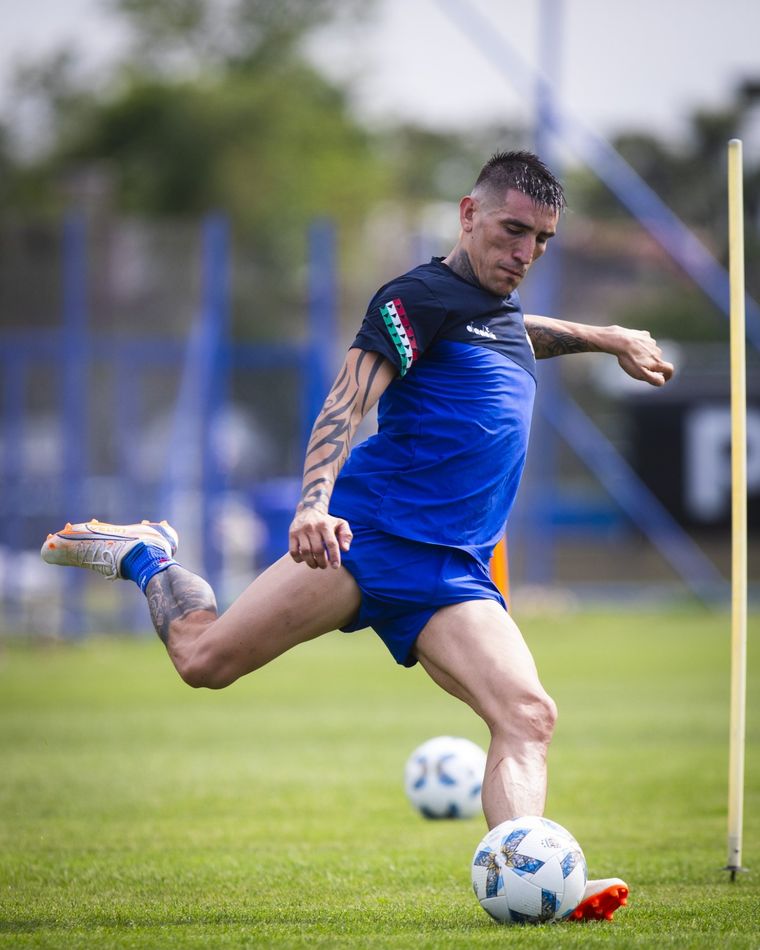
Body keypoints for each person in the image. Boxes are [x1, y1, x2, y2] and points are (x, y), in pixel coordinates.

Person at [42, 150, 673, 922]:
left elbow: (516, 331)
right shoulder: (414, 297)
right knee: (203, 662)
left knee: (528, 715)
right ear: (469, 214)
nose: (524, 254)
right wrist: (312, 504)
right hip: (367, 538)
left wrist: (608, 335)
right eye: (513, 231)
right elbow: (346, 400)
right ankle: (146, 553)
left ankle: (535, 881)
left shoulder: (493, 308)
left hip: (454, 573)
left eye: (541, 241)